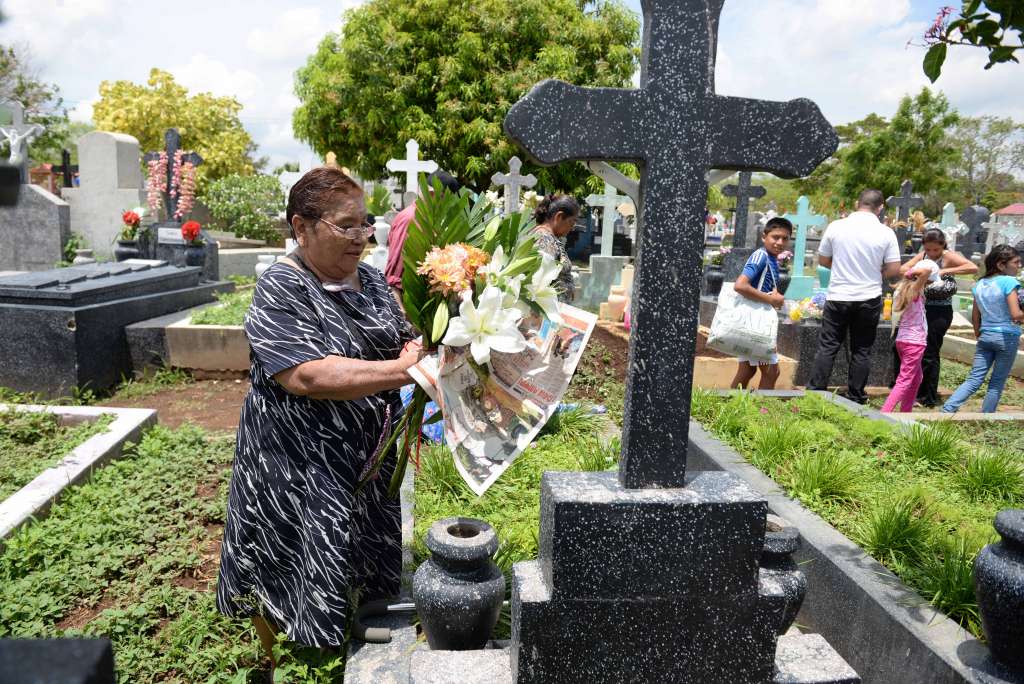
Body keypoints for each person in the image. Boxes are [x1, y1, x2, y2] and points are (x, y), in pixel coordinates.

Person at [216, 167, 423, 661]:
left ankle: (356, 617)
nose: (361, 238)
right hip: (300, 460)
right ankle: (286, 650)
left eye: (366, 224)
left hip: (366, 455)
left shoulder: (370, 281)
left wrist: (426, 344)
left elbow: (401, 335)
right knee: (295, 548)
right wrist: (403, 371)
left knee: (360, 540)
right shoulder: (282, 288)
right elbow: (306, 375)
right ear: (301, 227)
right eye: (345, 226)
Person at [807, 189, 902, 403]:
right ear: (880, 208)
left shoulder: (836, 226)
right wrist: (876, 273)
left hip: (839, 294)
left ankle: (815, 392)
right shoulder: (886, 232)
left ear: (857, 203)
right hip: (869, 296)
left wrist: (841, 267)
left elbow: (823, 260)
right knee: (862, 349)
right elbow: (894, 269)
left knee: (828, 345)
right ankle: (856, 395)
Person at [897, 229, 978, 406]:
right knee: (918, 351)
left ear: (943, 246)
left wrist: (942, 271)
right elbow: (903, 269)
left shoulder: (948, 256)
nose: (932, 253)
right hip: (922, 310)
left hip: (940, 311)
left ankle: (928, 397)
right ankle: (914, 390)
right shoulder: (924, 255)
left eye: (936, 250)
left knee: (930, 353)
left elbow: (972, 267)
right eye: (929, 249)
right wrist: (918, 270)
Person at [941, 245, 1023, 414]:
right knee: (997, 381)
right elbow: (1016, 314)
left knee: (974, 378)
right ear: (1001, 265)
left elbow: (975, 316)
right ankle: (986, 416)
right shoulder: (1009, 282)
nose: (1019, 265)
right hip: (1006, 337)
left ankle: (947, 409)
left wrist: (979, 334)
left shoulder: (980, 284)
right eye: (1016, 262)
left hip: (985, 336)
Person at [729, 217, 793, 389]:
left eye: (785, 238)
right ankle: (762, 412)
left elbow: (761, 286)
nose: (780, 242)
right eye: (775, 237)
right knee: (772, 372)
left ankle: (730, 408)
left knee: (747, 370)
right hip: (755, 324)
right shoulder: (761, 256)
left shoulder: (770, 258)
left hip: (752, 321)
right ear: (764, 236)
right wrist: (771, 299)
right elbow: (740, 285)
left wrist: (775, 297)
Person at [384, 170, 461, 300]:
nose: (450, 206)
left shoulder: (428, 219)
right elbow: (395, 274)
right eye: (448, 200)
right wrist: (401, 310)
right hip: (407, 300)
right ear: (433, 194)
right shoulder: (411, 219)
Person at [881, 260, 939, 413]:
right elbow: (926, 272)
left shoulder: (904, 289)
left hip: (904, 340)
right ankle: (883, 414)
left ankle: (905, 412)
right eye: (928, 283)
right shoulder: (913, 291)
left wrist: (911, 272)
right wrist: (912, 272)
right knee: (904, 380)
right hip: (914, 342)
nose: (928, 285)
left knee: (916, 378)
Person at [532, 193, 579, 303]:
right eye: (572, 222)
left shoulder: (549, 238)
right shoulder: (544, 240)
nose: (572, 228)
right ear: (559, 217)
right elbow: (540, 279)